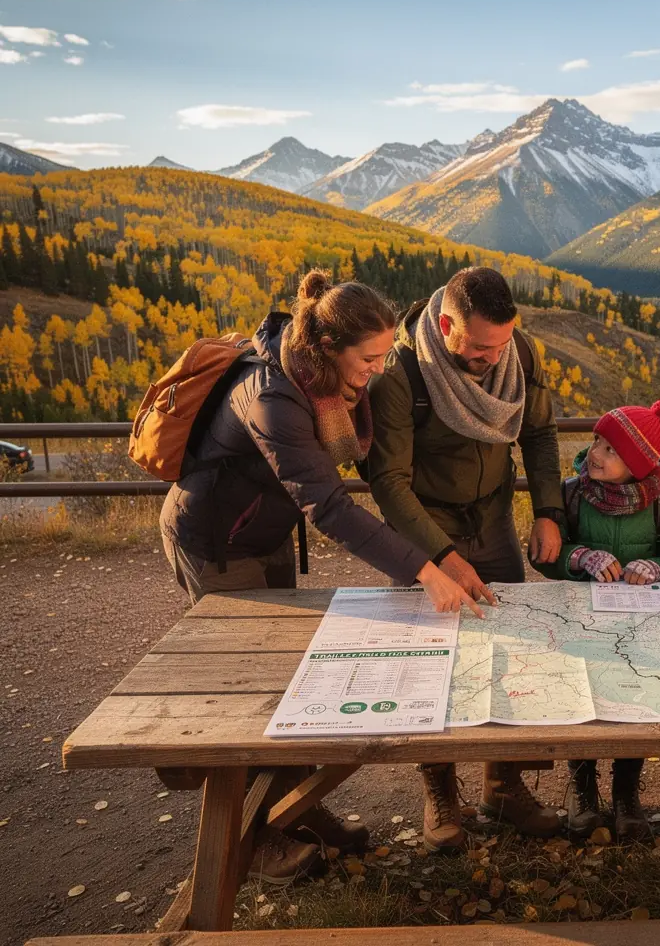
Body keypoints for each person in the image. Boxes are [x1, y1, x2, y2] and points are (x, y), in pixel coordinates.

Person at [160, 270, 478, 883]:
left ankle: (298, 811)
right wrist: (424, 568)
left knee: (288, 678)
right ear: (329, 347)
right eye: (369, 359)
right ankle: (254, 841)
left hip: (264, 533)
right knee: (247, 688)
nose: (378, 371)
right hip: (215, 543)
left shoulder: (320, 379)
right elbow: (328, 506)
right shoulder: (272, 397)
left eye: (384, 357)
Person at [367, 267, 565, 851]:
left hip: (493, 515)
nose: (492, 357)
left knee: (510, 649)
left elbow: (540, 434)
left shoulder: (518, 353)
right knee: (431, 660)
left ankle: (503, 786)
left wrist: (548, 510)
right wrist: (442, 558)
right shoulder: (400, 374)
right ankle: (440, 791)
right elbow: (388, 482)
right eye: (480, 347)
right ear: (446, 324)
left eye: (501, 344)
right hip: (424, 527)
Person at [531, 399, 660, 840]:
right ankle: (582, 788)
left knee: (635, 698)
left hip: (639, 625)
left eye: (611, 450)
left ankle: (626, 792)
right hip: (577, 621)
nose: (595, 455)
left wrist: (658, 567)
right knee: (580, 696)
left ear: (638, 465)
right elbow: (544, 557)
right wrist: (578, 557)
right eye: (597, 442)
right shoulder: (570, 494)